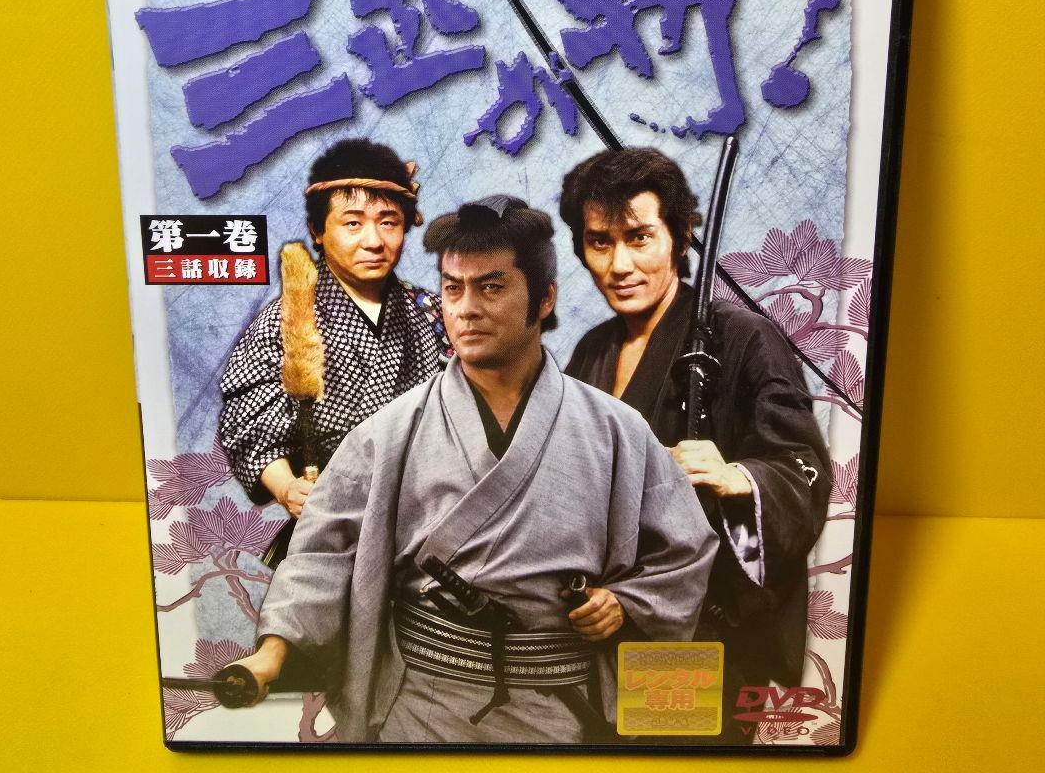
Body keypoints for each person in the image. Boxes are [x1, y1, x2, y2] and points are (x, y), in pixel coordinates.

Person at [230, 196, 718, 743]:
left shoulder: (617, 430)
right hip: (424, 706)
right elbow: (324, 555)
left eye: (491, 288)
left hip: (562, 709)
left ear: (545, 298)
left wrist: (624, 602)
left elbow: (685, 550)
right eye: (452, 288)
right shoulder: (389, 432)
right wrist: (271, 655)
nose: (465, 309)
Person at [559, 147, 832, 741]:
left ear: (680, 238)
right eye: (600, 242)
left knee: (671, 759)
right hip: (602, 627)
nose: (619, 264)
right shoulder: (591, 352)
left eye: (639, 238)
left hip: (698, 630)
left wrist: (740, 477)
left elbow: (803, 465)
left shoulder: (742, 337)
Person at [219, 138, 450, 519]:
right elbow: (249, 422)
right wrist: (287, 487)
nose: (374, 241)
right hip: (330, 512)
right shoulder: (286, 320)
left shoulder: (433, 312)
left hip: (425, 509)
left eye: (388, 222)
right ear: (318, 230)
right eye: (353, 223)